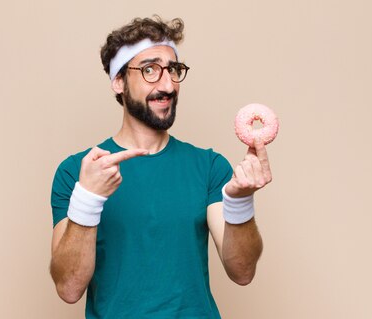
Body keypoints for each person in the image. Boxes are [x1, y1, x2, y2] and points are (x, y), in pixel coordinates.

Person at [50, 16, 271, 318]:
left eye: (173, 70)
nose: (167, 85)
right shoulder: (78, 171)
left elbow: (242, 271)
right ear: (118, 82)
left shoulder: (208, 167)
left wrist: (241, 201)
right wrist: (88, 198)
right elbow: (69, 288)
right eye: (149, 70)